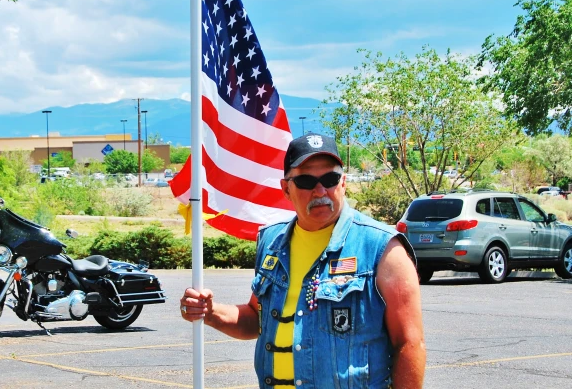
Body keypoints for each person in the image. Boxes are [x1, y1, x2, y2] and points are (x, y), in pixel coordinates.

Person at [180, 133, 425, 388]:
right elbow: (257, 318)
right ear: (286, 188)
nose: (320, 191)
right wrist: (210, 312)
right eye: (306, 181)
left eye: (330, 179)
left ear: (343, 183)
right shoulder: (272, 242)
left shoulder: (382, 247)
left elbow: (409, 343)